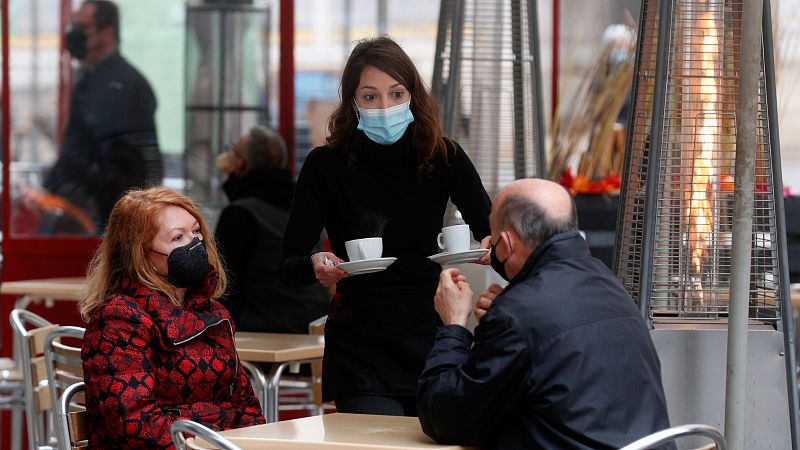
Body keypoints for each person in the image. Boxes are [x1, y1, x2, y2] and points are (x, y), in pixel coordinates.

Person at [280, 36, 492, 416]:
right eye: (370, 96)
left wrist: (490, 248)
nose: (385, 106)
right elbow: (289, 264)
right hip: (359, 342)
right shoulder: (324, 165)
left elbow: (490, 229)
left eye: (396, 94)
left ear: (412, 95)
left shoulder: (443, 156)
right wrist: (315, 265)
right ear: (352, 101)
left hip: (429, 330)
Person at [417, 178, 674, 450]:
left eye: (494, 243)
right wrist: (505, 322)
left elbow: (444, 419)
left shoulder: (516, 315)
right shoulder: (610, 286)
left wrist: (454, 325)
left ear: (507, 243)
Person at [80, 187, 264, 449]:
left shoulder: (214, 314)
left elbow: (246, 405)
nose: (195, 243)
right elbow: (135, 425)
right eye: (178, 237)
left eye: (196, 231)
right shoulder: (118, 320)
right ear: (142, 254)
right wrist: (214, 440)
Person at [44, 0, 162, 233]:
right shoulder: (87, 78)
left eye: (82, 28)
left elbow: (133, 165)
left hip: (108, 221)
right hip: (81, 213)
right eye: (72, 27)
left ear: (107, 33)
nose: (73, 35)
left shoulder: (126, 85)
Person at [216, 125, 329, 333]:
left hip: (265, 328)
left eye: (233, 153)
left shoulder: (240, 214)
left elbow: (222, 283)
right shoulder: (303, 204)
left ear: (241, 164)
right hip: (315, 323)